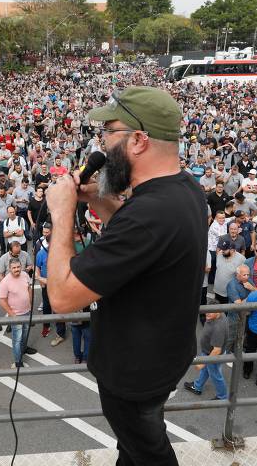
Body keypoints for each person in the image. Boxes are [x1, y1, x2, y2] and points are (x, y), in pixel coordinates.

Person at [45, 86, 207, 465]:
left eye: (107, 135)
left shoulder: (149, 214)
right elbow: (143, 241)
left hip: (134, 372)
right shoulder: (184, 188)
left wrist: (62, 213)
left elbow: (63, 297)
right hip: (164, 354)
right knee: (133, 446)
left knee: (149, 451)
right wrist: (100, 200)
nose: (101, 147)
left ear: (138, 140)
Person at [183, 299, 228, 400]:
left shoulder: (218, 328)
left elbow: (217, 350)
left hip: (212, 355)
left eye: (210, 313)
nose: (206, 314)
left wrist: (203, 363)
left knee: (216, 376)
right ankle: (197, 386)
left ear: (217, 312)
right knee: (206, 371)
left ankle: (222, 396)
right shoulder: (219, 313)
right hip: (208, 352)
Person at [0, 258, 37, 366]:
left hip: (27, 311)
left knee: (25, 333)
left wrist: (30, 304)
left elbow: (29, 288)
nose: (17, 269)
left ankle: (24, 349)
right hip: (16, 315)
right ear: (9, 269)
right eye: (14, 268)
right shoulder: (5, 282)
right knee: (17, 339)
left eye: (18, 267)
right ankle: (18, 361)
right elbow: (2, 301)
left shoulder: (24, 275)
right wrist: (12, 314)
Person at [35, 232, 66, 345]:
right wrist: (40, 281)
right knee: (47, 307)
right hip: (46, 286)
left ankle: (60, 334)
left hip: (58, 287)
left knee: (58, 309)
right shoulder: (41, 253)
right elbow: (37, 267)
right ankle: (46, 325)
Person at [213, 238, 246, 303]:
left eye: (225, 249)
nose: (222, 251)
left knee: (227, 312)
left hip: (230, 293)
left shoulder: (241, 259)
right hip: (217, 290)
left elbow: (244, 276)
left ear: (232, 250)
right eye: (222, 249)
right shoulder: (220, 254)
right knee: (217, 311)